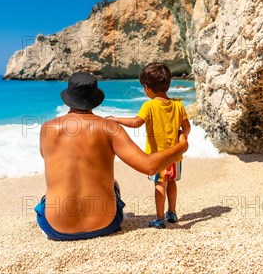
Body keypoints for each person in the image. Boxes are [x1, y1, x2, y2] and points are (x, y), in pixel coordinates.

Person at [35, 72, 188, 241]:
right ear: (95, 99)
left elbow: (48, 159)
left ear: (68, 98)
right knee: (113, 184)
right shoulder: (110, 128)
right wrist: (181, 146)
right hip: (106, 225)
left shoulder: (47, 129)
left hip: (56, 229)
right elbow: (149, 166)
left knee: (48, 197)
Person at [107, 63, 191, 228]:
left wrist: (116, 119)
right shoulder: (178, 104)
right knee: (172, 182)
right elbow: (187, 128)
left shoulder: (149, 106)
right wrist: (182, 136)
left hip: (158, 157)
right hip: (175, 156)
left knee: (160, 184)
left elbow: (136, 122)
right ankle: (172, 213)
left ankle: (160, 218)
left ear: (147, 88)